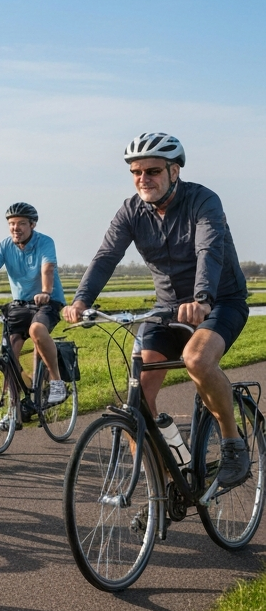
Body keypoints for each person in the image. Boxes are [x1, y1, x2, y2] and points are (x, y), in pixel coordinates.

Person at [64, 133, 252, 490]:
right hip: (166, 309)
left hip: (219, 301)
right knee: (139, 391)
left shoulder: (203, 201)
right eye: (136, 172)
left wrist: (202, 298)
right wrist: (80, 301)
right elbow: (106, 257)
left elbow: (208, 251)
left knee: (197, 360)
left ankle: (232, 443)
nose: (142, 179)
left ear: (174, 171)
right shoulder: (130, 211)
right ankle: (159, 480)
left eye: (152, 171)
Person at [0, 202, 68, 418]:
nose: (15, 228)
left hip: (47, 302)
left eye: (21, 223)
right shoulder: (5, 246)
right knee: (9, 354)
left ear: (32, 225)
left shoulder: (44, 242)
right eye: (12, 224)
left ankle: (57, 382)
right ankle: (17, 406)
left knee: (37, 330)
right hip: (21, 304)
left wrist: (46, 291)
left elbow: (47, 268)